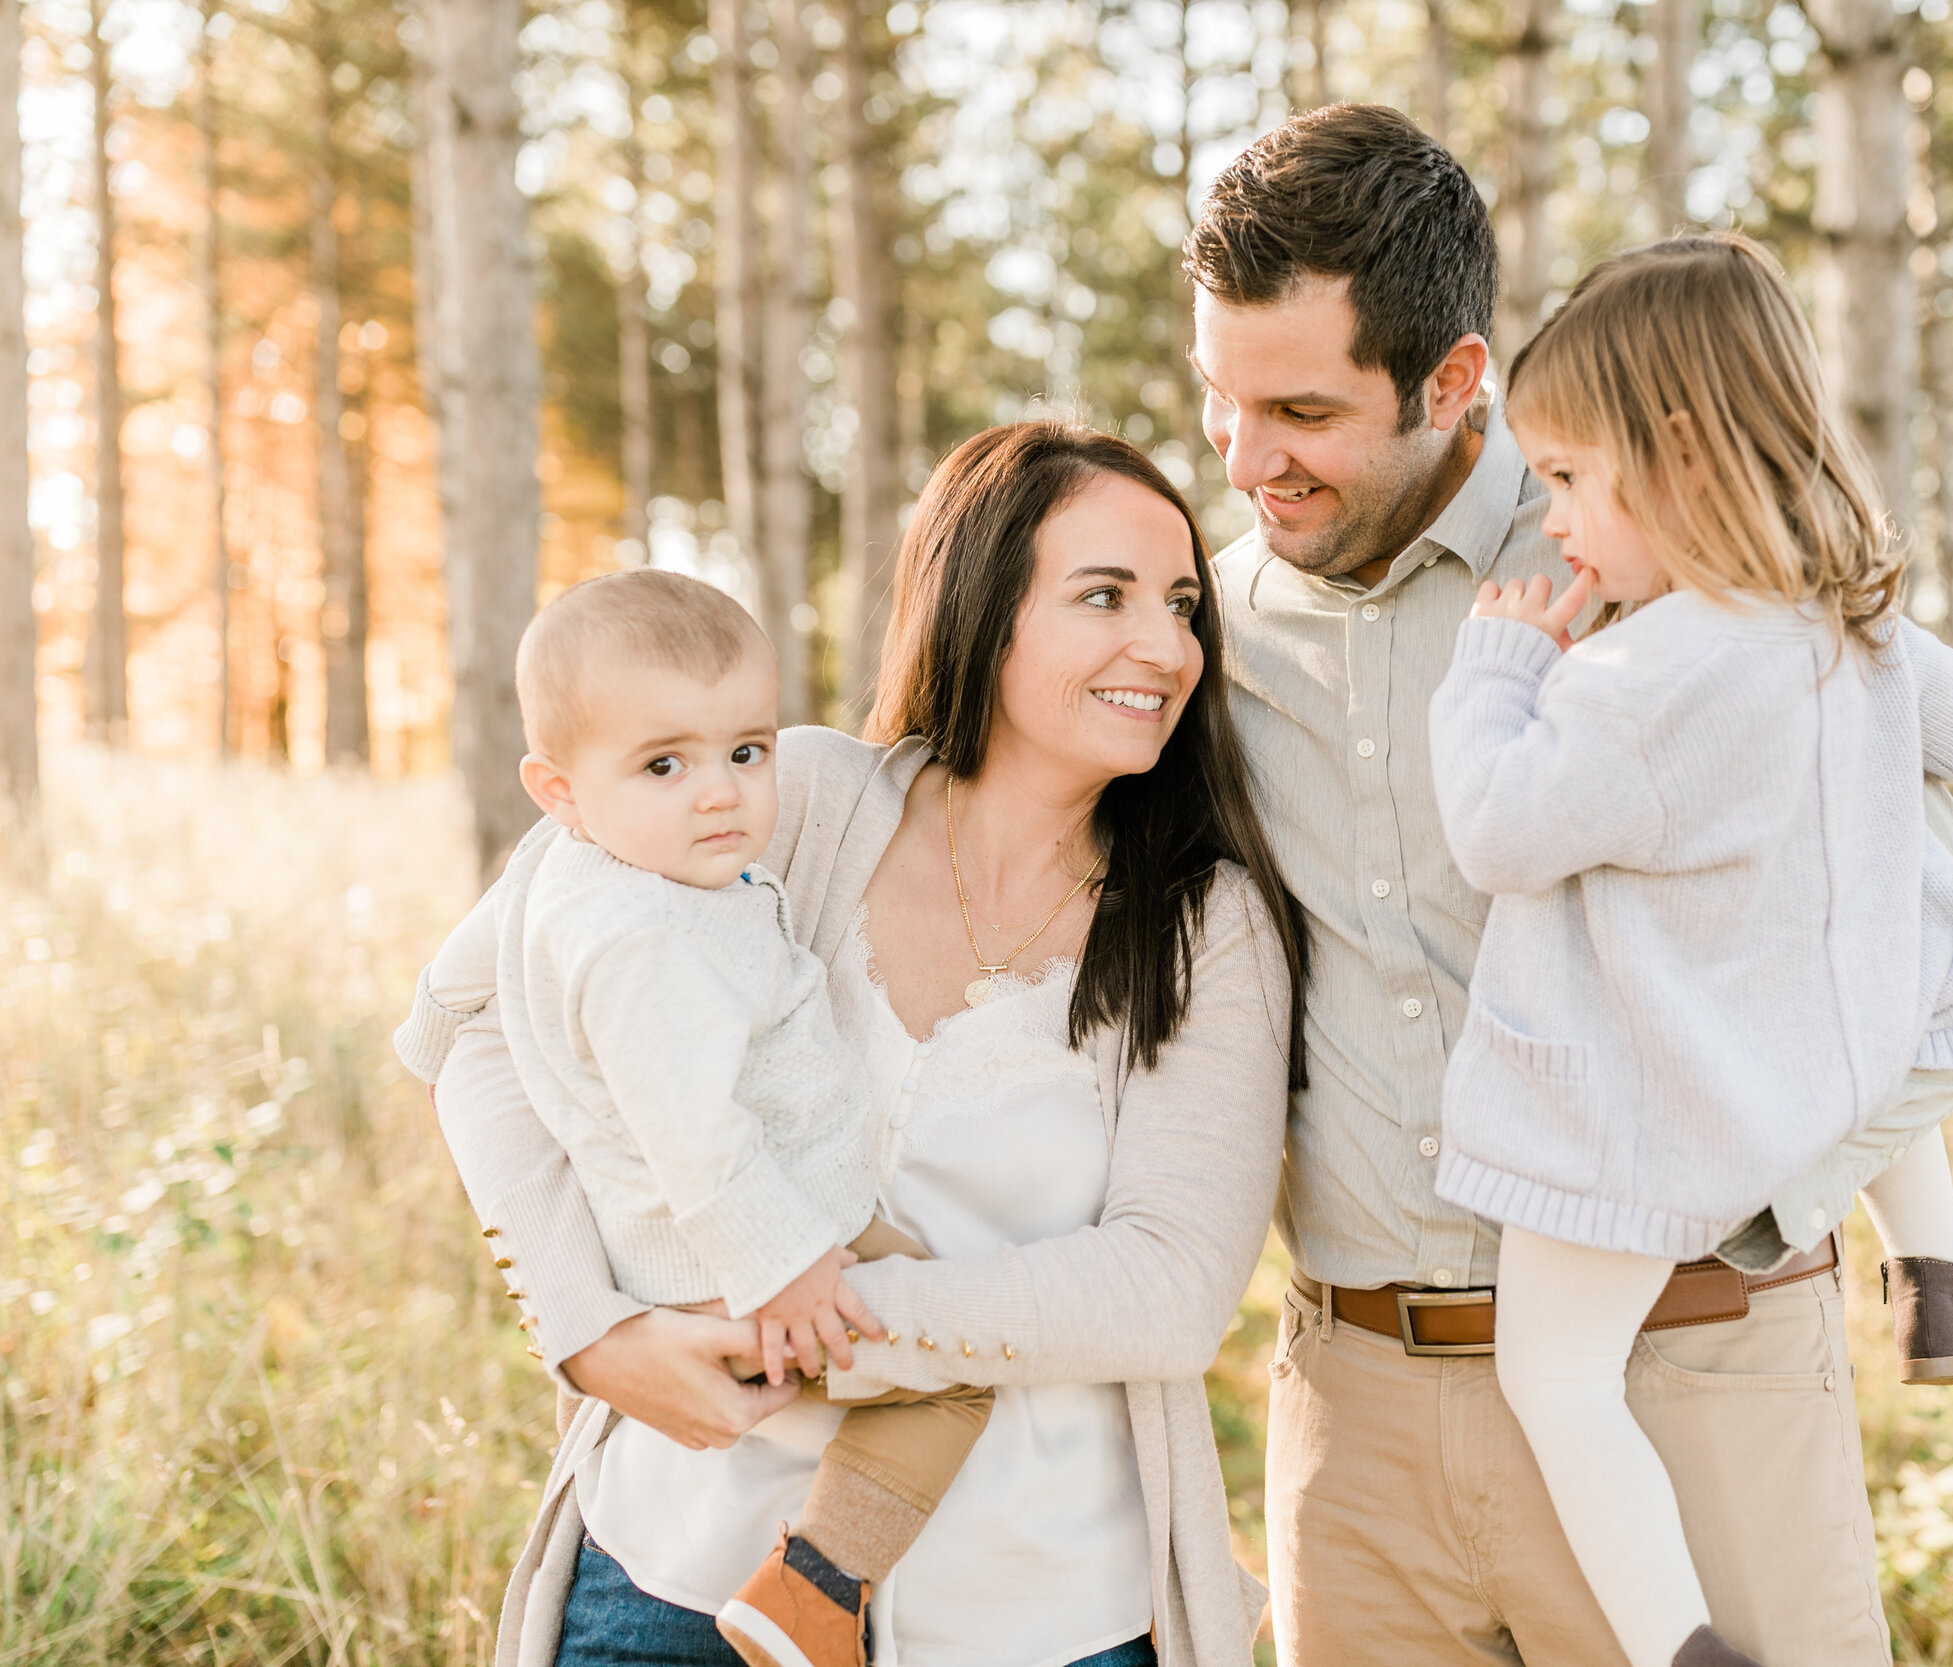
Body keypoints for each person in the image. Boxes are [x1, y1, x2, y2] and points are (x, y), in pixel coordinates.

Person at [1184, 103, 1953, 1666]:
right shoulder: (1205, 623)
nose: (1246, 462)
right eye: (1220, 403)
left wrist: (1754, 1177)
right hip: (1361, 1406)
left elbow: (1939, 961)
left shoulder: (1679, 584)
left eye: (1297, 408)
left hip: (1685, 1358)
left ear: (1454, 382)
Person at [421, 424, 1305, 1667]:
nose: (1163, 647)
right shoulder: (781, 800)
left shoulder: (1205, 928)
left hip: (1040, 1609)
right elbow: (478, 1014)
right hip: (676, 1564)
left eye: (1181, 604)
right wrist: (591, 1332)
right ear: (981, 605)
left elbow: (1165, 1291)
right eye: (1104, 595)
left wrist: (811, 1319)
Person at [1428, 232, 1953, 1667]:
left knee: (1557, 1372)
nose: (1550, 517)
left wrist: (1498, 665)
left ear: (1675, 455)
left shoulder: (1636, 680)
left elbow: (1499, 831)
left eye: (1568, 478)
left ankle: (1684, 1643)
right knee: (1916, 951)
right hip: (1838, 1059)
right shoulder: (1849, 630)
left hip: (1659, 1125)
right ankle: (1938, 1281)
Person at [395, 567, 1001, 1667]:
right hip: (753, 1241)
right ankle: (814, 1590)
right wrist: (785, 1265)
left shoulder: (597, 873)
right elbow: (696, 1131)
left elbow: (454, 994)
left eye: (747, 751)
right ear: (558, 787)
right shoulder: (646, 936)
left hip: (734, 1235)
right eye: (664, 764)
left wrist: (426, 1034)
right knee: (953, 1373)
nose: (719, 792)